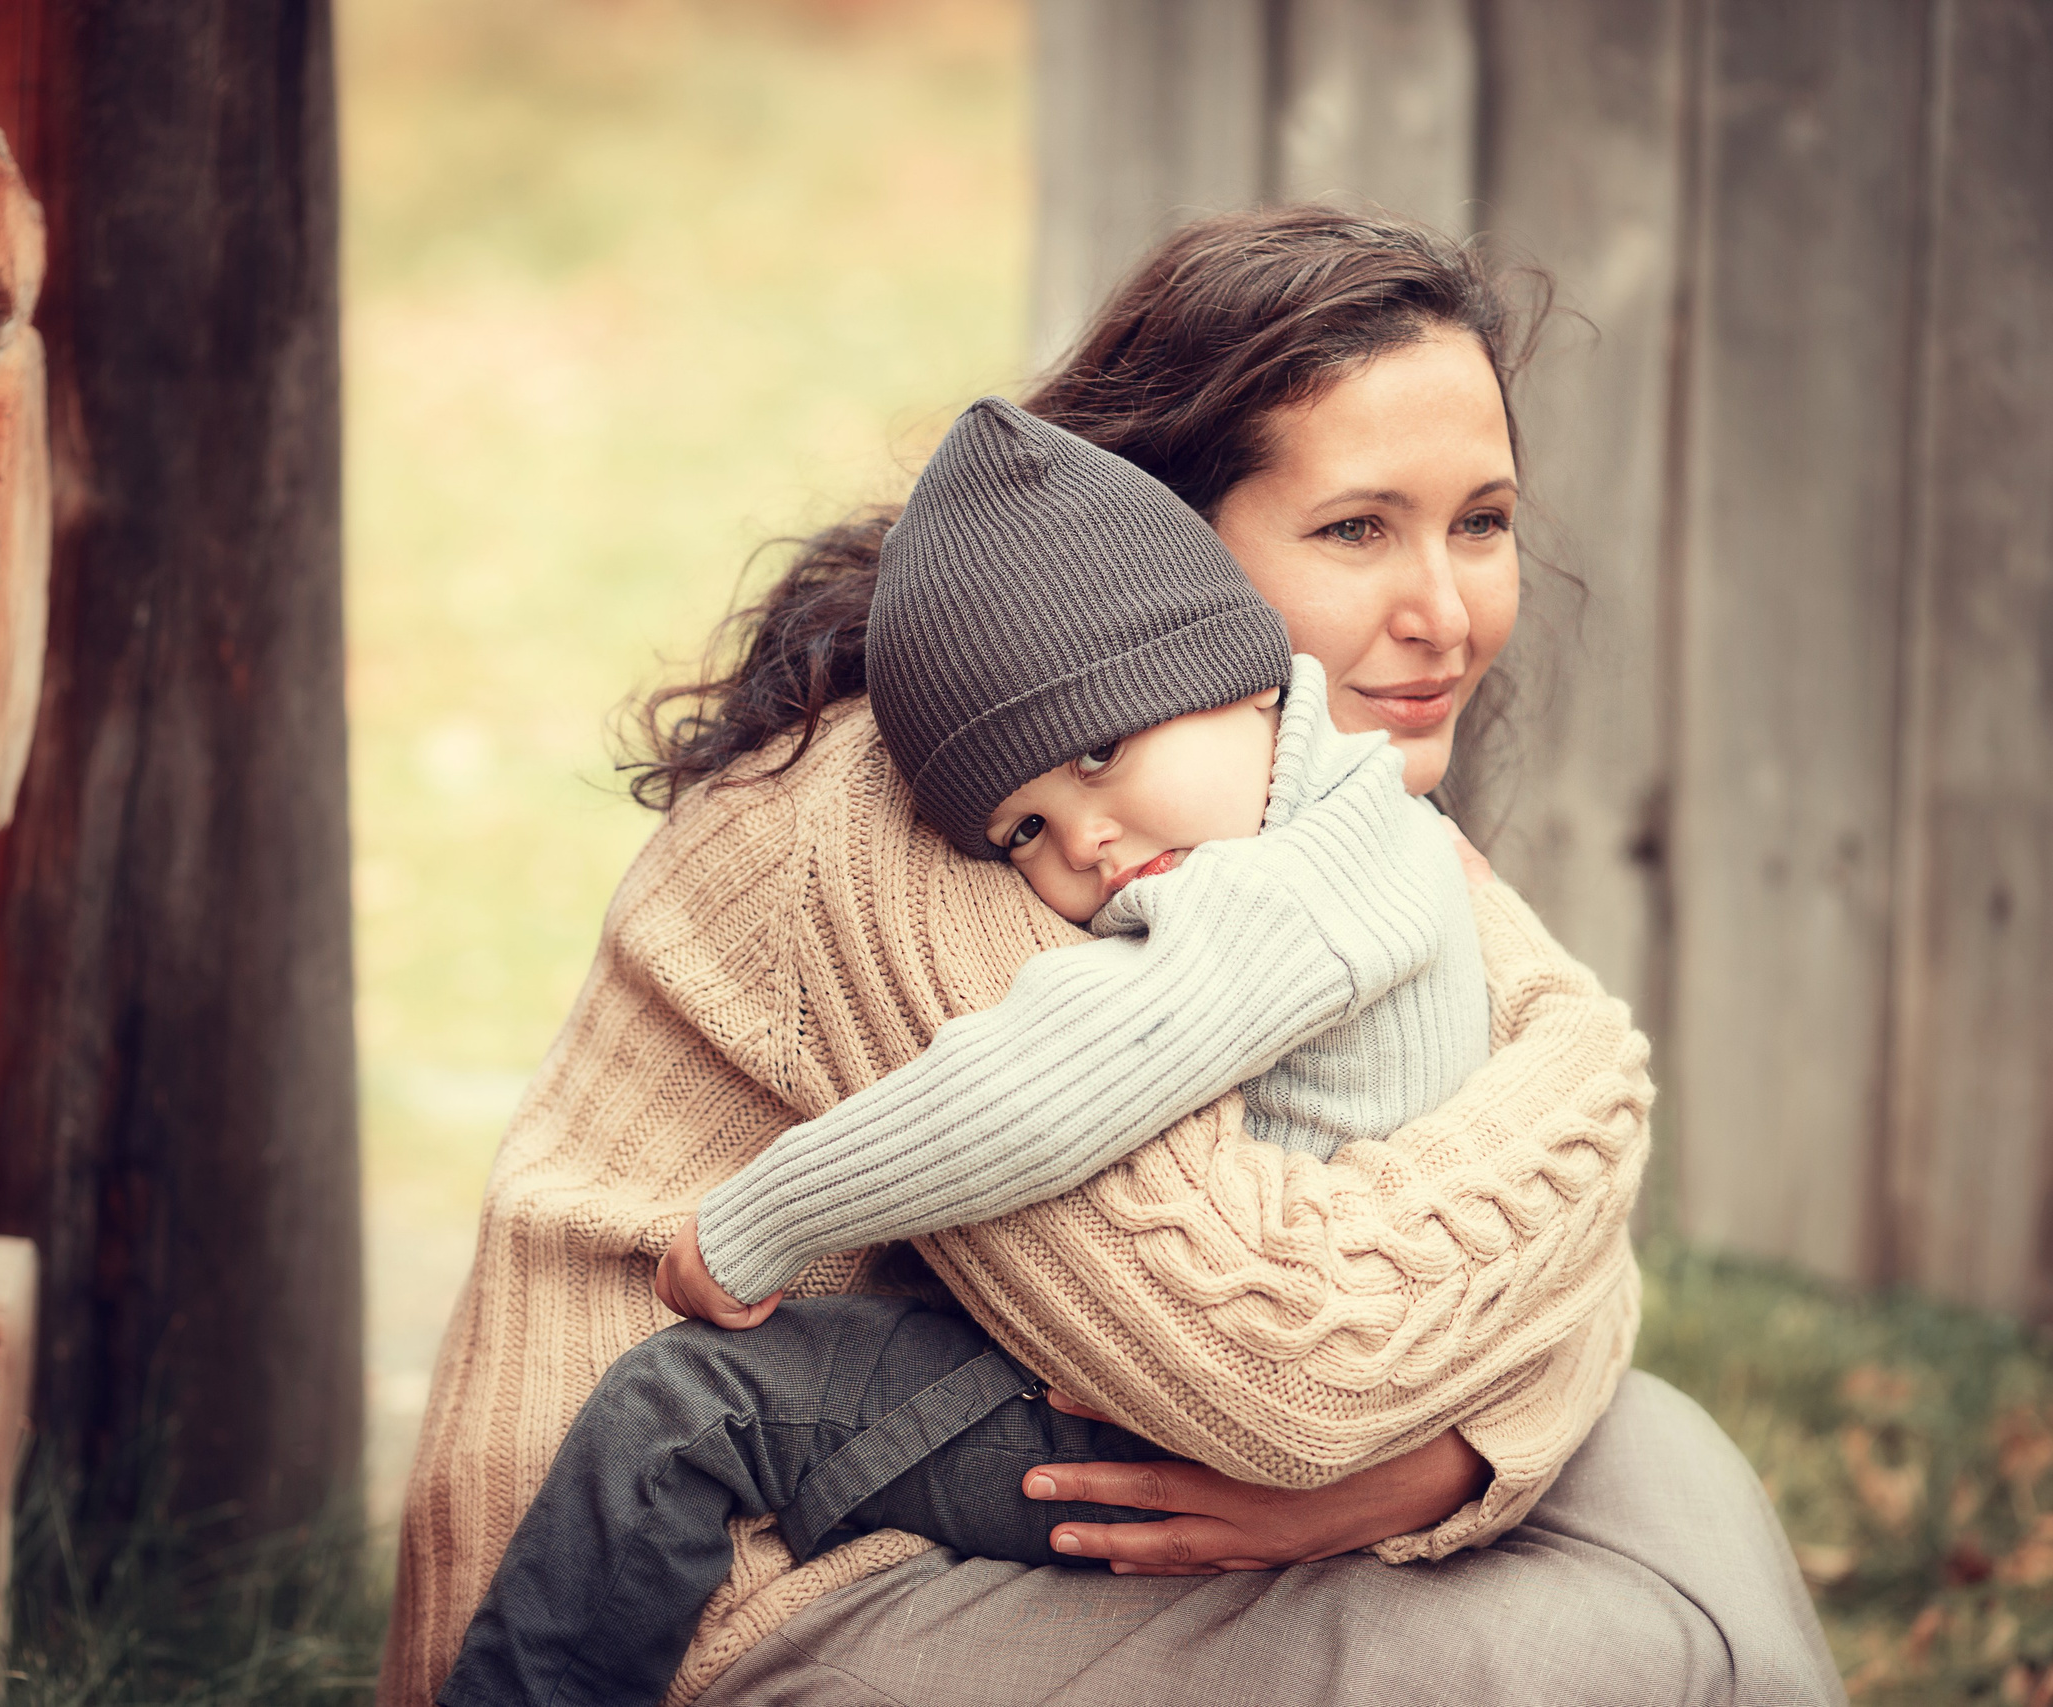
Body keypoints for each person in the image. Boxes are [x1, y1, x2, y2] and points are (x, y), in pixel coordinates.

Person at [381, 208, 1844, 1707]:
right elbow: (1280, 1371)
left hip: (981, 1461)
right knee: (1620, 1654)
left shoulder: (1247, 791)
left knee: (1668, 1466)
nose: (1448, 612)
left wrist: (1456, 1457)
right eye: (1356, 528)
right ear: (1149, 549)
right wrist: (1594, 1071)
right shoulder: (959, 808)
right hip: (719, 1581)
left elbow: (1559, 1248)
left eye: (1480, 520)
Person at [438, 398, 1493, 1707]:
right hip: (1247, 1398)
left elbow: (1037, 1087)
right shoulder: (1366, 828)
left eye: (1105, 752)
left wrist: (757, 1222)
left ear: (1237, 668)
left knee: (689, 1409)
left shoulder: (1297, 897)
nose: (1088, 845)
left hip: (1181, 1426)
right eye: (1024, 831)